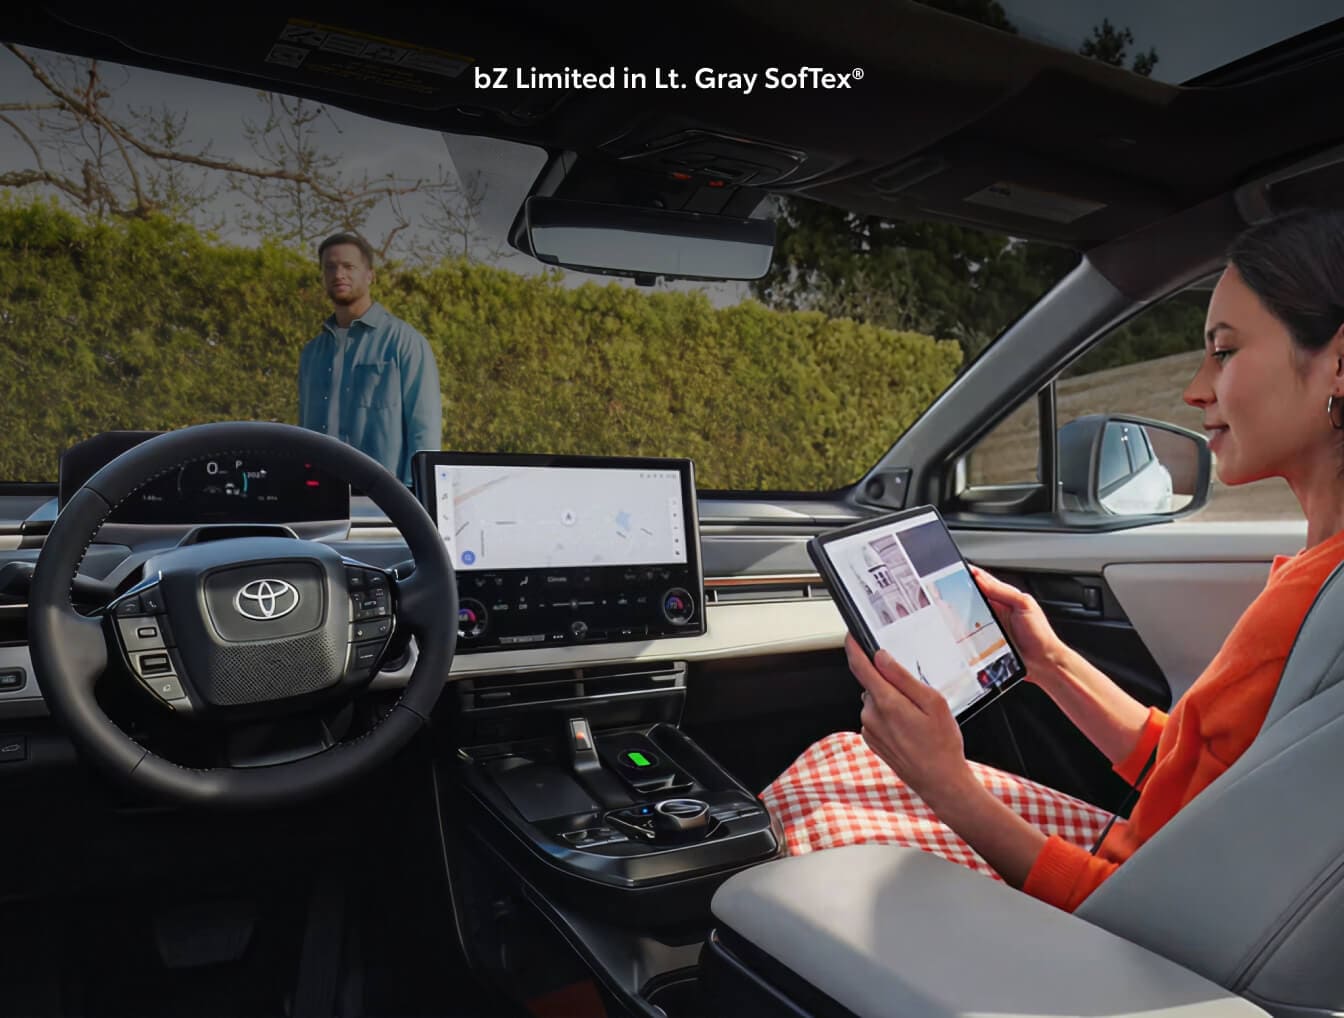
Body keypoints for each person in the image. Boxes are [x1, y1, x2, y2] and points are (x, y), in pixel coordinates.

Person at [761, 207, 1344, 913]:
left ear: (1338, 364)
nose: (1195, 388)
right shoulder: (1319, 580)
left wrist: (945, 783)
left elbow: (1158, 918)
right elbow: (1200, 780)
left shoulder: (1310, 606)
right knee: (842, 762)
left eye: (1223, 351)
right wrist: (1051, 663)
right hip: (1153, 870)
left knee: (806, 825)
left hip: (1121, 935)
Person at [298, 232, 442, 485]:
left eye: (348, 266)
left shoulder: (404, 342)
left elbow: (424, 431)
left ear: (370, 275)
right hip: (319, 490)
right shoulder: (312, 353)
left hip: (383, 494)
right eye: (330, 267)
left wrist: (417, 496)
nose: (338, 274)